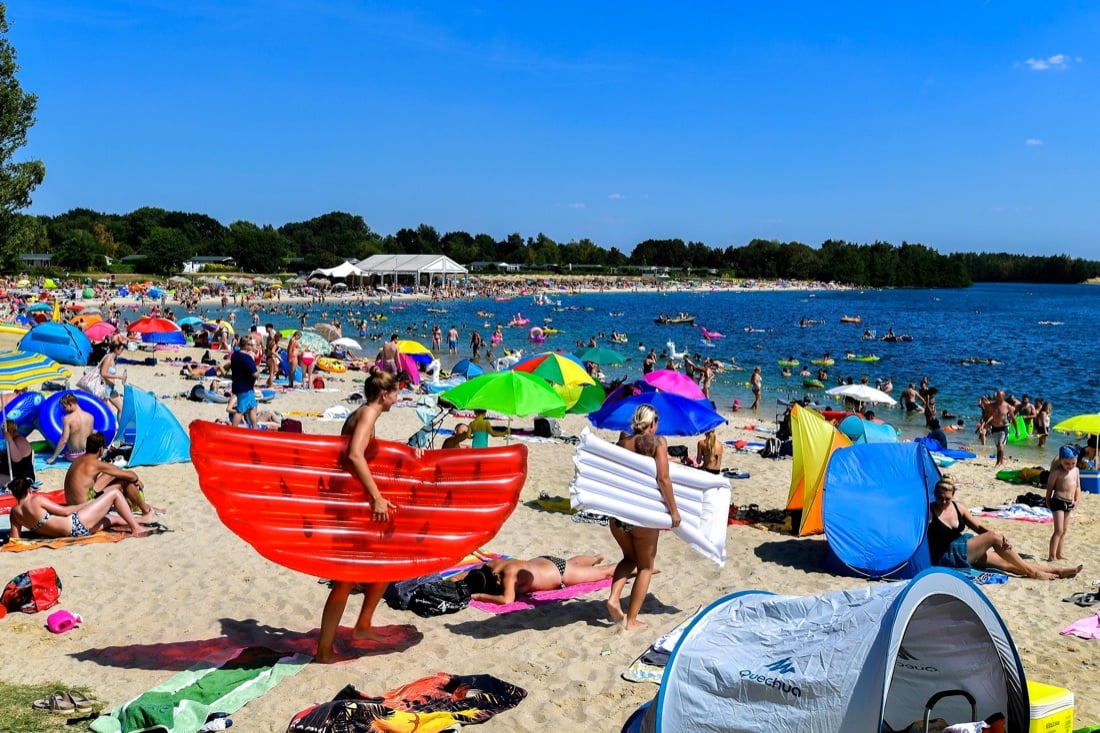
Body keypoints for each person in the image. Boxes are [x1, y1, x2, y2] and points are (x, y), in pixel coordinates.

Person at [316, 368, 404, 664]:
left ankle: (363, 626)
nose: (398, 397)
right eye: (396, 393)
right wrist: (376, 497)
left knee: (385, 565)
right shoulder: (367, 414)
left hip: (355, 501)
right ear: (384, 394)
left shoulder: (365, 413)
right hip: (351, 505)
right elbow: (354, 455)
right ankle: (324, 651)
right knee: (344, 580)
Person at [607, 405, 680, 631]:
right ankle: (631, 620)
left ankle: (613, 597)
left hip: (618, 514)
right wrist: (674, 511)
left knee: (629, 558)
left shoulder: (622, 443)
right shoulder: (658, 443)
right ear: (653, 423)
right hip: (642, 516)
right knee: (646, 567)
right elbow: (663, 478)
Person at [928, 477, 1080, 580]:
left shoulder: (958, 507)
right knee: (994, 537)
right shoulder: (928, 511)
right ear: (934, 494)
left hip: (965, 546)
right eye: (940, 497)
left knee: (1006, 563)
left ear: (953, 496)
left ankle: (1057, 571)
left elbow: (979, 527)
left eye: (947, 498)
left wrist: (1002, 539)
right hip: (948, 553)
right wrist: (997, 537)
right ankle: (1032, 572)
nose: (943, 502)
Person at [8, 476, 152, 540]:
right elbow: (65, 511)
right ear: (29, 490)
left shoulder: (14, 513)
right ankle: (135, 528)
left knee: (110, 519)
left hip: (71, 533)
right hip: (77, 523)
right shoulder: (36, 500)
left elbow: (15, 537)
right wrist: (87, 503)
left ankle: (141, 520)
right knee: (114, 493)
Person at [63, 431, 162, 515]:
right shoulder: (96, 464)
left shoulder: (78, 460)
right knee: (124, 481)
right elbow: (132, 476)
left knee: (112, 474)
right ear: (100, 449)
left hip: (74, 505)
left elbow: (114, 471)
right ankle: (145, 509)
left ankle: (131, 504)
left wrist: (128, 476)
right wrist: (136, 480)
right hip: (86, 508)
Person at [458, 554, 616, 605]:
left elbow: (507, 601)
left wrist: (478, 596)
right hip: (545, 562)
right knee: (572, 564)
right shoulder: (490, 566)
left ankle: (637, 565)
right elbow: (463, 575)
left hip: (559, 574)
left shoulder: (508, 575)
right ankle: (595, 558)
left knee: (606, 573)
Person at [1046, 445, 1082, 562]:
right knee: (1058, 530)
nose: (1070, 466)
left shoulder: (1076, 471)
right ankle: (1051, 556)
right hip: (1058, 501)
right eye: (1067, 463)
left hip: (1069, 503)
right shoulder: (1057, 472)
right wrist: (1048, 501)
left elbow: (1078, 487)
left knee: (1064, 530)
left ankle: (1059, 554)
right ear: (1061, 460)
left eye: (1073, 463)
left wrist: (1076, 501)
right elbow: (1050, 488)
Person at [46, 393, 94, 464]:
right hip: (86, 454)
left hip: (73, 456)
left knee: (66, 451)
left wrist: (53, 457)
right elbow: (91, 435)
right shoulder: (90, 417)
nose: (64, 410)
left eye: (65, 407)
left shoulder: (68, 419)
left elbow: (64, 440)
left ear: (70, 404)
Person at [980, 390, 1016, 467]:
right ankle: (1001, 461)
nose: (997, 397)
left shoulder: (1007, 406)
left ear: (1003, 397)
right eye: (997, 396)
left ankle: (998, 463)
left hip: (1004, 428)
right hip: (994, 428)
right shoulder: (992, 405)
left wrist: (1017, 431)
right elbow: (987, 415)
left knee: (1000, 445)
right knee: (998, 447)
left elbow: (1013, 418)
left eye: (999, 396)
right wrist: (983, 425)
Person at [230, 337, 259, 428]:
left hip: (240, 385)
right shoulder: (246, 358)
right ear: (246, 346)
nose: (251, 347)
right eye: (250, 345)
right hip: (244, 387)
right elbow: (255, 374)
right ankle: (233, 429)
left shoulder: (235, 355)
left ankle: (254, 428)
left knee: (252, 407)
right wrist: (258, 370)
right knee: (240, 410)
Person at [98, 341, 127, 417]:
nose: (122, 351)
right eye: (121, 349)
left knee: (121, 408)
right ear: (115, 349)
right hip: (105, 388)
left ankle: (120, 428)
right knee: (104, 411)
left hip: (111, 388)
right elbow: (103, 373)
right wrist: (118, 376)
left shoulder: (113, 359)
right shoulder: (108, 358)